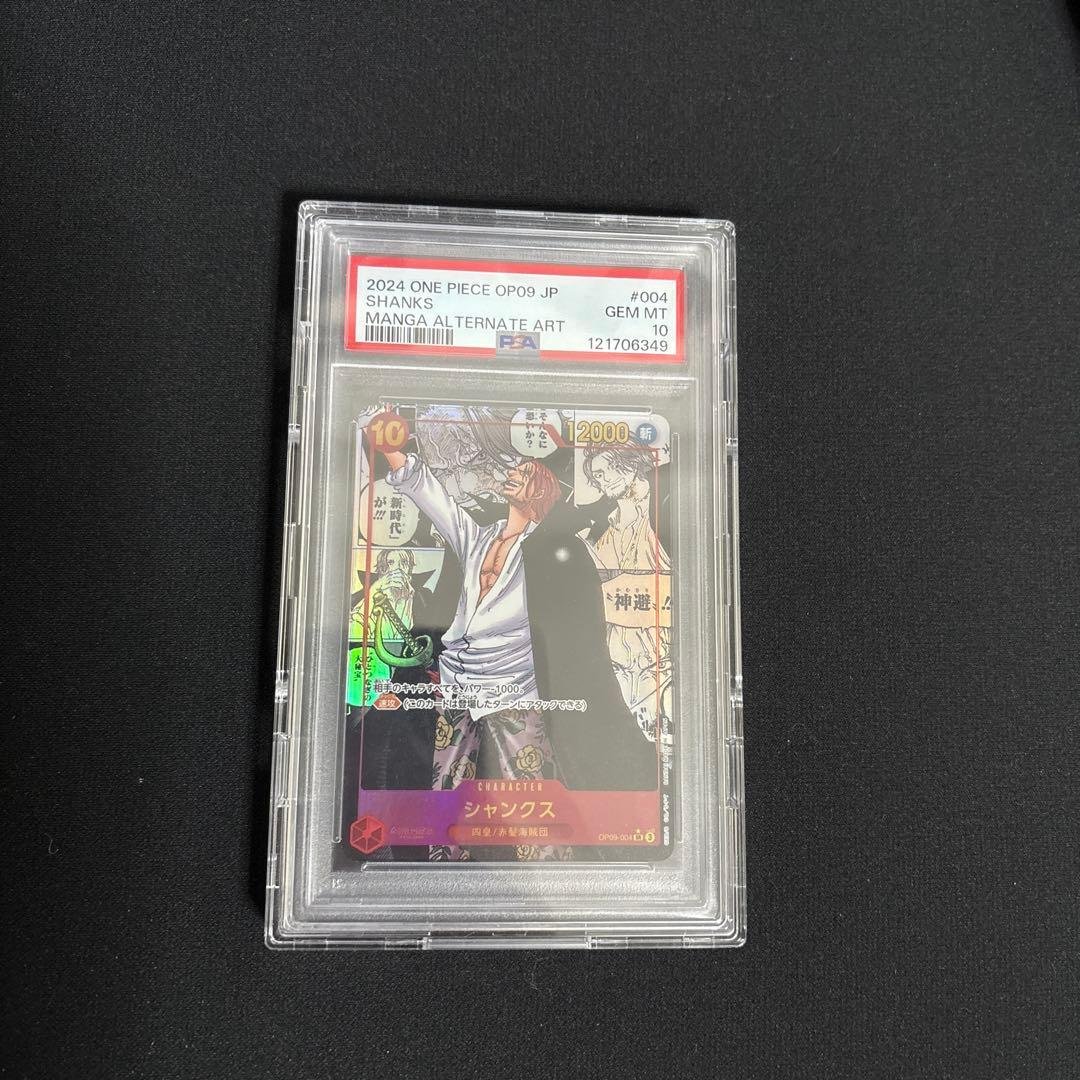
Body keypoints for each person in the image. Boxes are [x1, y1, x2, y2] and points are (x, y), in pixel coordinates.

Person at [379, 440, 656, 861]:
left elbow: (574, 627)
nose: (513, 475)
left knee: (532, 791)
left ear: (539, 490)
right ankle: (441, 877)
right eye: (515, 470)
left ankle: (554, 879)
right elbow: (433, 498)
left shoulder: (550, 550)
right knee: (446, 788)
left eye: (525, 474)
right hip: (459, 681)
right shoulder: (478, 537)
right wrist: (392, 451)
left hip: (513, 685)